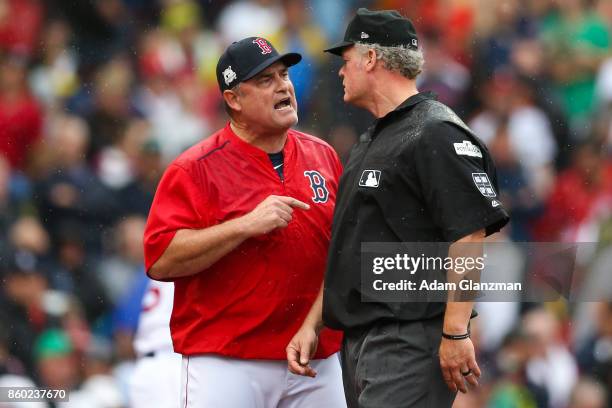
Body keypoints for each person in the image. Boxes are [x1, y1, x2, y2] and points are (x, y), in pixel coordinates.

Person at [286, 9, 510, 408]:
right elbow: (350, 250)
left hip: (407, 337)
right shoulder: (373, 139)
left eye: (346, 58)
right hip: (362, 341)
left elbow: (469, 233)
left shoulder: (434, 131)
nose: (340, 71)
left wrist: (456, 332)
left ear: (371, 58)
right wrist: (312, 323)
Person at [143, 36, 346, 407]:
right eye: (265, 80)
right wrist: (243, 226)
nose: (283, 86)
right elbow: (160, 258)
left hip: (313, 356)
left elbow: (343, 253)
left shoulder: (324, 155)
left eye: (284, 75)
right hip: (228, 358)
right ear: (234, 99)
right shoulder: (194, 168)